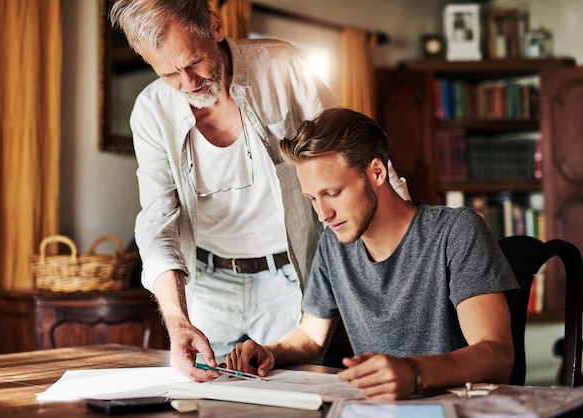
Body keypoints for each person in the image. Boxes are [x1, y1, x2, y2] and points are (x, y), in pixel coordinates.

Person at [109, 0, 410, 382]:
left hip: (288, 278)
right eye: (169, 74)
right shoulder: (150, 112)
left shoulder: (282, 66)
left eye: (193, 62)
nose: (188, 83)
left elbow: (354, 150)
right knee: (205, 403)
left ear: (215, 27)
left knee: (288, 396)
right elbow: (156, 222)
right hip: (208, 283)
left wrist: (413, 233)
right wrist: (179, 321)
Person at [226, 107, 520, 400]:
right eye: (312, 199)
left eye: (333, 193)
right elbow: (311, 337)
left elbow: (496, 356)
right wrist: (269, 352)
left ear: (377, 172)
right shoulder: (333, 244)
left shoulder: (456, 231)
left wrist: (413, 373)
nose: (323, 214)